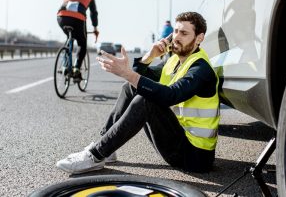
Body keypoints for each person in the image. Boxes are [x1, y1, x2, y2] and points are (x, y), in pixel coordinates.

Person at [56, 11, 220, 174]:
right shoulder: (174, 62)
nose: (176, 37)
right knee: (131, 88)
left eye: (184, 33)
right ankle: (106, 147)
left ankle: (95, 155)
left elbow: (171, 96)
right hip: (178, 142)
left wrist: (127, 73)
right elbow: (137, 80)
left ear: (199, 38)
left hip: (195, 157)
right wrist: (149, 56)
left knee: (146, 100)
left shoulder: (201, 69)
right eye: (175, 31)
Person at [57, 0, 99, 80]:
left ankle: (66, 64)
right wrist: (95, 28)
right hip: (78, 19)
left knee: (69, 37)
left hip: (61, 17)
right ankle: (76, 68)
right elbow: (93, 13)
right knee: (82, 44)